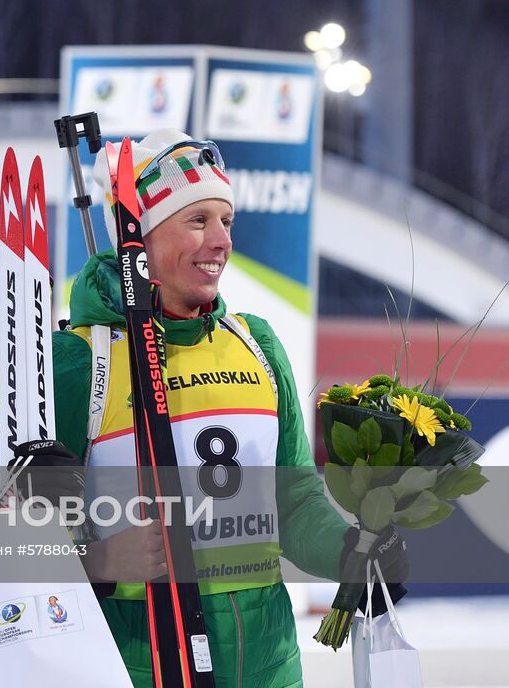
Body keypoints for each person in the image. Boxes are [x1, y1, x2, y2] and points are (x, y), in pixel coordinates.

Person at [52, 130, 409, 688]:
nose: (221, 240)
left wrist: (349, 552)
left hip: (268, 666)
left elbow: (293, 503)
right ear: (139, 236)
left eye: (227, 221)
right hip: (138, 662)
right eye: (197, 220)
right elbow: (17, 534)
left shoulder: (256, 344)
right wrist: (100, 563)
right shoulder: (81, 360)